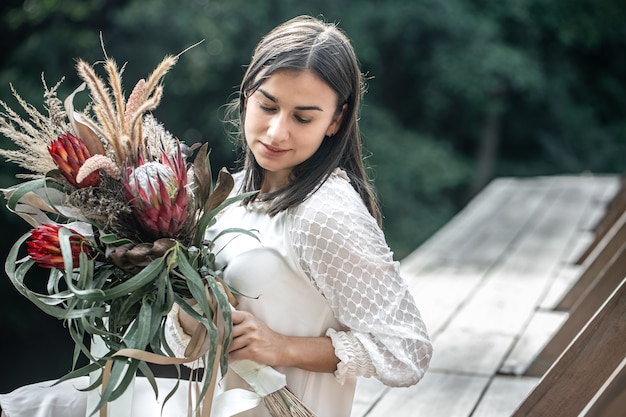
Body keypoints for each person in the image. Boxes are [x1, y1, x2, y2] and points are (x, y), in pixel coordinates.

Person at [0, 15, 431, 417]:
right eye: (267, 106)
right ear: (246, 96)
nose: (278, 131)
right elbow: (195, 343)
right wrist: (195, 310)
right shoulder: (227, 196)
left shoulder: (325, 211)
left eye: (303, 117)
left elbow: (407, 350)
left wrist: (280, 347)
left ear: (336, 120)